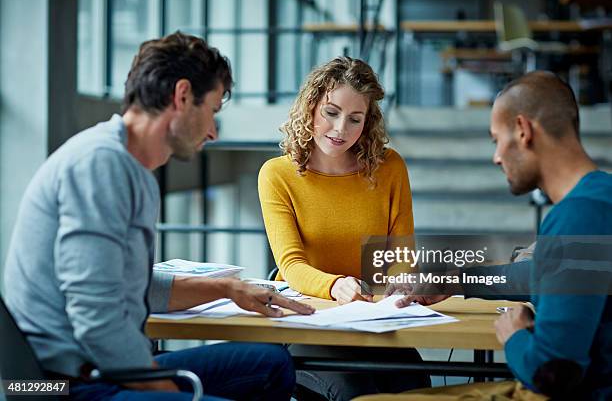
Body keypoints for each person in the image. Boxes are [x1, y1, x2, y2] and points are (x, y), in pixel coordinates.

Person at [3, 31, 314, 401]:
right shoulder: (99, 165)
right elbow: (96, 315)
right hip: (60, 384)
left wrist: (228, 289)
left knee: (271, 363)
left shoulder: (130, 167)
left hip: (100, 369)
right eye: (212, 110)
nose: (213, 131)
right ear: (182, 96)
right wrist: (165, 389)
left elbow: (125, 283)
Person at [368, 71, 612, 400]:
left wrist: (515, 336)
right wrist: (454, 281)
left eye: (497, 140)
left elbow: (554, 374)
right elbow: (539, 274)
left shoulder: (577, 217)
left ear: (524, 131)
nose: (497, 157)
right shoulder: (600, 198)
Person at [258, 56, 429, 400]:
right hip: (307, 320)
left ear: (368, 122)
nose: (340, 130)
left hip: (372, 316)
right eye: (331, 113)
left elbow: (401, 253)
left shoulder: (390, 167)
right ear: (310, 107)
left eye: (355, 119)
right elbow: (291, 266)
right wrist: (335, 285)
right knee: (354, 391)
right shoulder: (277, 175)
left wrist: (401, 278)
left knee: (415, 385)